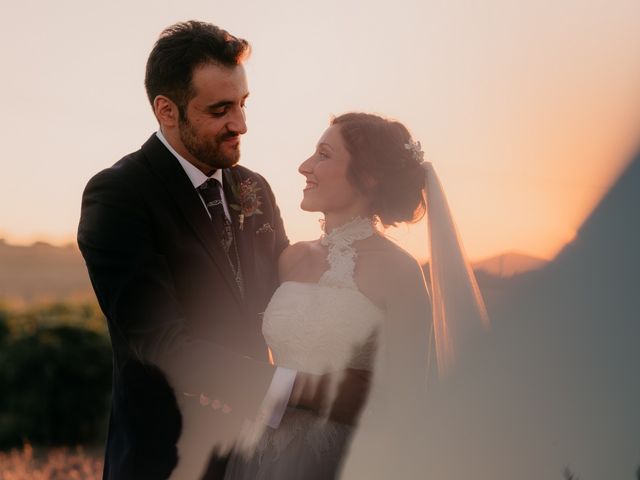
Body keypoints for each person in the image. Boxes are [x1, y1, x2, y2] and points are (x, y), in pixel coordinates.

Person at [78, 21, 363, 480]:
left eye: (243, 104)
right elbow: (164, 345)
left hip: (263, 457)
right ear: (167, 110)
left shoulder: (254, 188)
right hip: (167, 460)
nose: (241, 124)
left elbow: (286, 300)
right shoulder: (118, 196)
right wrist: (313, 391)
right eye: (220, 110)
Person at [223, 113, 488, 479]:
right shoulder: (290, 258)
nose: (305, 166)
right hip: (260, 455)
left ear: (368, 177)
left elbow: (409, 402)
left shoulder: (401, 272)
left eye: (323, 155)